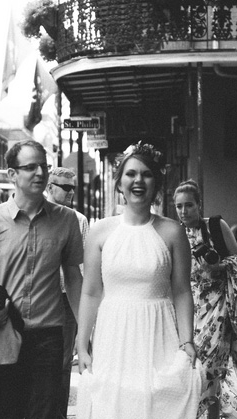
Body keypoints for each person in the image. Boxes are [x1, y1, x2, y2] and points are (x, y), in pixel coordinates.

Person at [75, 141, 203, 419]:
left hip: (159, 332)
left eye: (146, 174)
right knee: (113, 404)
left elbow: (181, 291)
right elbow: (91, 293)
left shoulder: (172, 232)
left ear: (156, 184)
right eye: (131, 173)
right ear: (119, 183)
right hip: (114, 335)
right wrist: (82, 343)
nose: (138, 180)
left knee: (157, 402)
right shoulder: (100, 232)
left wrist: (187, 341)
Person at [0, 140, 84, 419]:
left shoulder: (67, 221)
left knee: (46, 413)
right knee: (5, 412)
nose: (40, 173)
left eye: (44, 166)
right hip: (2, 338)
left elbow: (74, 279)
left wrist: (85, 333)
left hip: (48, 338)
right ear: (12, 174)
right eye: (31, 167)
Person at [174, 180, 237, 419]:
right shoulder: (175, 232)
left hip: (219, 306)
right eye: (179, 206)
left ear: (199, 205)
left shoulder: (216, 226)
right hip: (189, 307)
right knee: (192, 365)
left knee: (209, 366)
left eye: (188, 205)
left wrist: (219, 265)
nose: (183, 211)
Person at [46, 166, 89, 419]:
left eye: (73, 187)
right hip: (43, 297)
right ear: (50, 188)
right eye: (66, 187)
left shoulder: (78, 219)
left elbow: (81, 266)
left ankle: (57, 415)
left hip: (66, 299)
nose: (71, 192)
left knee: (63, 362)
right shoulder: (40, 216)